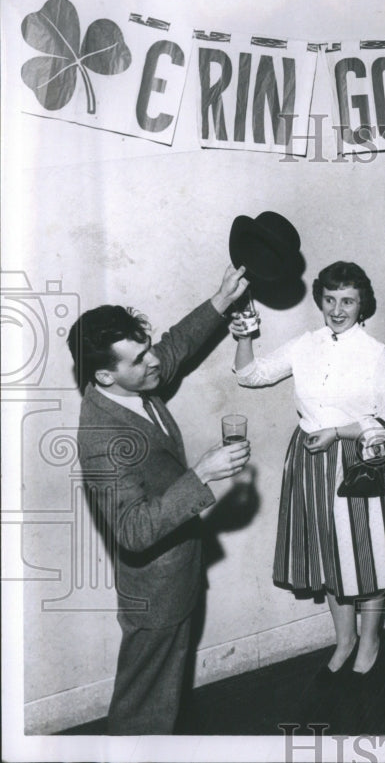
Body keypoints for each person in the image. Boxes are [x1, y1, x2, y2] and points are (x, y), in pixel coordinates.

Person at [68, 265, 251, 734]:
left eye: (146, 348)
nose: (153, 362)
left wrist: (219, 300)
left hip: (177, 577)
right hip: (154, 595)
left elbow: (176, 348)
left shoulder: (135, 382)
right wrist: (201, 475)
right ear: (106, 375)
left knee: (161, 704)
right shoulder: (101, 436)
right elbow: (132, 530)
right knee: (142, 712)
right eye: (138, 358)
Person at [230, 262, 385, 681]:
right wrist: (244, 338)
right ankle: (344, 641)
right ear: (320, 300)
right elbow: (251, 375)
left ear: (363, 305)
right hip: (309, 458)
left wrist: (338, 432)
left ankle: (371, 639)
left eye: (348, 301)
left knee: (365, 555)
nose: (338, 309)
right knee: (330, 555)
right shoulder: (305, 344)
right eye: (330, 299)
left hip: (359, 460)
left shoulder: (376, 353)